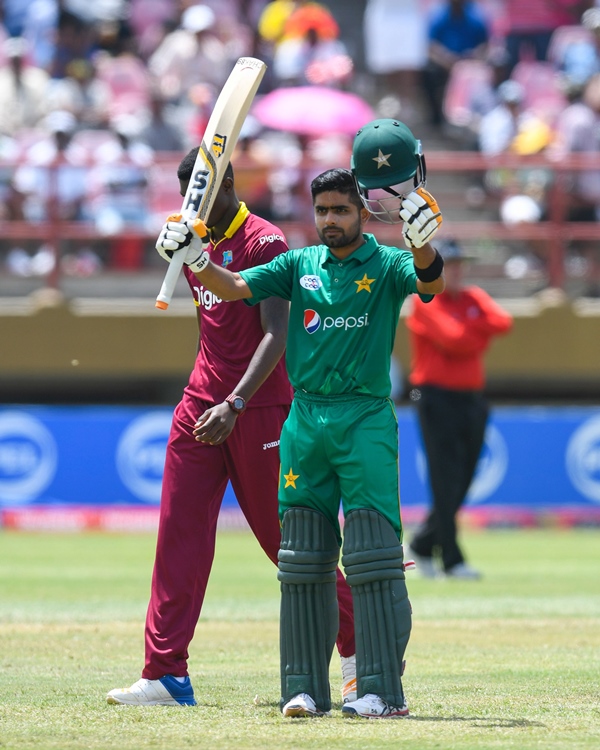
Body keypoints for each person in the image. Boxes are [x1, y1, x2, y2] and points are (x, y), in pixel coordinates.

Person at [150, 118, 445, 719]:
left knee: (369, 552)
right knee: (302, 555)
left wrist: (425, 243)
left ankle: (378, 686)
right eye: (323, 210)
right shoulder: (300, 262)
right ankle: (304, 687)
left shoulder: (386, 263)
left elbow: (430, 282)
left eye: (341, 209)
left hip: (362, 418)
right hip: (305, 421)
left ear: (362, 210)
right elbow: (231, 288)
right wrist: (194, 256)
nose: (332, 219)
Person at [106, 148, 356, 707]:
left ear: (229, 185)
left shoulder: (264, 241)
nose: (195, 205)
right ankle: (166, 674)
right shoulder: (194, 236)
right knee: (179, 537)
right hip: (200, 402)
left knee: (286, 542)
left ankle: (363, 645)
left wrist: (237, 403)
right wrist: (177, 250)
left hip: (258, 408)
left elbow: (278, 334)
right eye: (188, 195)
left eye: (204, 192)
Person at [405, 239, 513, 579]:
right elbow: (456, 339)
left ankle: (423, 544)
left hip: (471, 398)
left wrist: (470, 332)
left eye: (459, 264)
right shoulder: (426, 300)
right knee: (444, 478)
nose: (456, 271)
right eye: (450, 264)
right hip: (436, 397)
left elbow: (504, 322)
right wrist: (477, 334)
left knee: (464, 477)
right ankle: (450, 559)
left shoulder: (472, 297)